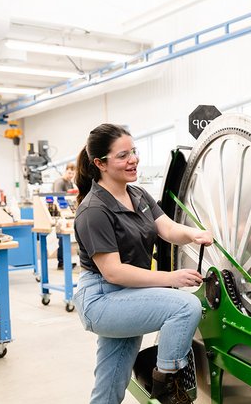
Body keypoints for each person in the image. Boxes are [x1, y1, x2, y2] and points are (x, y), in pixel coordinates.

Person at [73, 123, 213, 404]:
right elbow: (114, 271)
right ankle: (167, 385)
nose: (133, 159)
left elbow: (168, 229)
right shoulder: (94, 210)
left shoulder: (138, 195)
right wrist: (171, 278)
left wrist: (194, 234)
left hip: (129, 295)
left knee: (111, 384)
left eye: (134, 152)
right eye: (123, 155)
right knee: (185, 307)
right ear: (100, 163)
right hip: (102, 299)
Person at [53, 162, 76, 270]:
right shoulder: (60, 182)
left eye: (73, 174)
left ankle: (66, 261)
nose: (71, 175)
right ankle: (61, 263)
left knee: (66, 238)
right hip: (59, 213)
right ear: (65, 171)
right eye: (69, 173)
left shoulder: (70, 183)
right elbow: (58, 197)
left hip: (68, 212)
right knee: (61, 238)